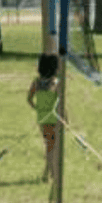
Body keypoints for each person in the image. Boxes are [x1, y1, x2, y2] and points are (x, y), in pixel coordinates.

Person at [27, 53, 61, 181]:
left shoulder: (36, 83)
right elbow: (61, 102)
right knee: (53, 145)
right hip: (54, 118)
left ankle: (47, 172)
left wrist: (37, 108)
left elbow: (29, 99)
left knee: (49, 144)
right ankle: (51, 172)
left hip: (42, 118)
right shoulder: (55, 83)